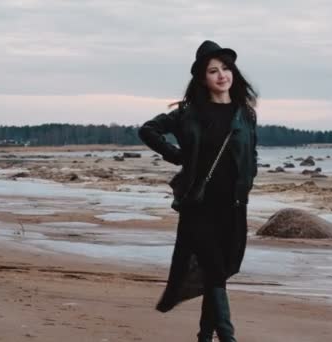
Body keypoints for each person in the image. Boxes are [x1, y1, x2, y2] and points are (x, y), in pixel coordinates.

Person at [138, 40, 258, 342]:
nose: (222, 75)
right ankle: (227, 337)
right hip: (198, 206)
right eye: (213, 71)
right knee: (215, 270)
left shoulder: (245, 114)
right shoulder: (190, 113)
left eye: (226, 69)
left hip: (232, 206)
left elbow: (251, 155)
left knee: (217, 272)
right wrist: (175, 154)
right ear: (203, 79)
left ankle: (205, 336)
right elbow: (148, 130)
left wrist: (249, 179)